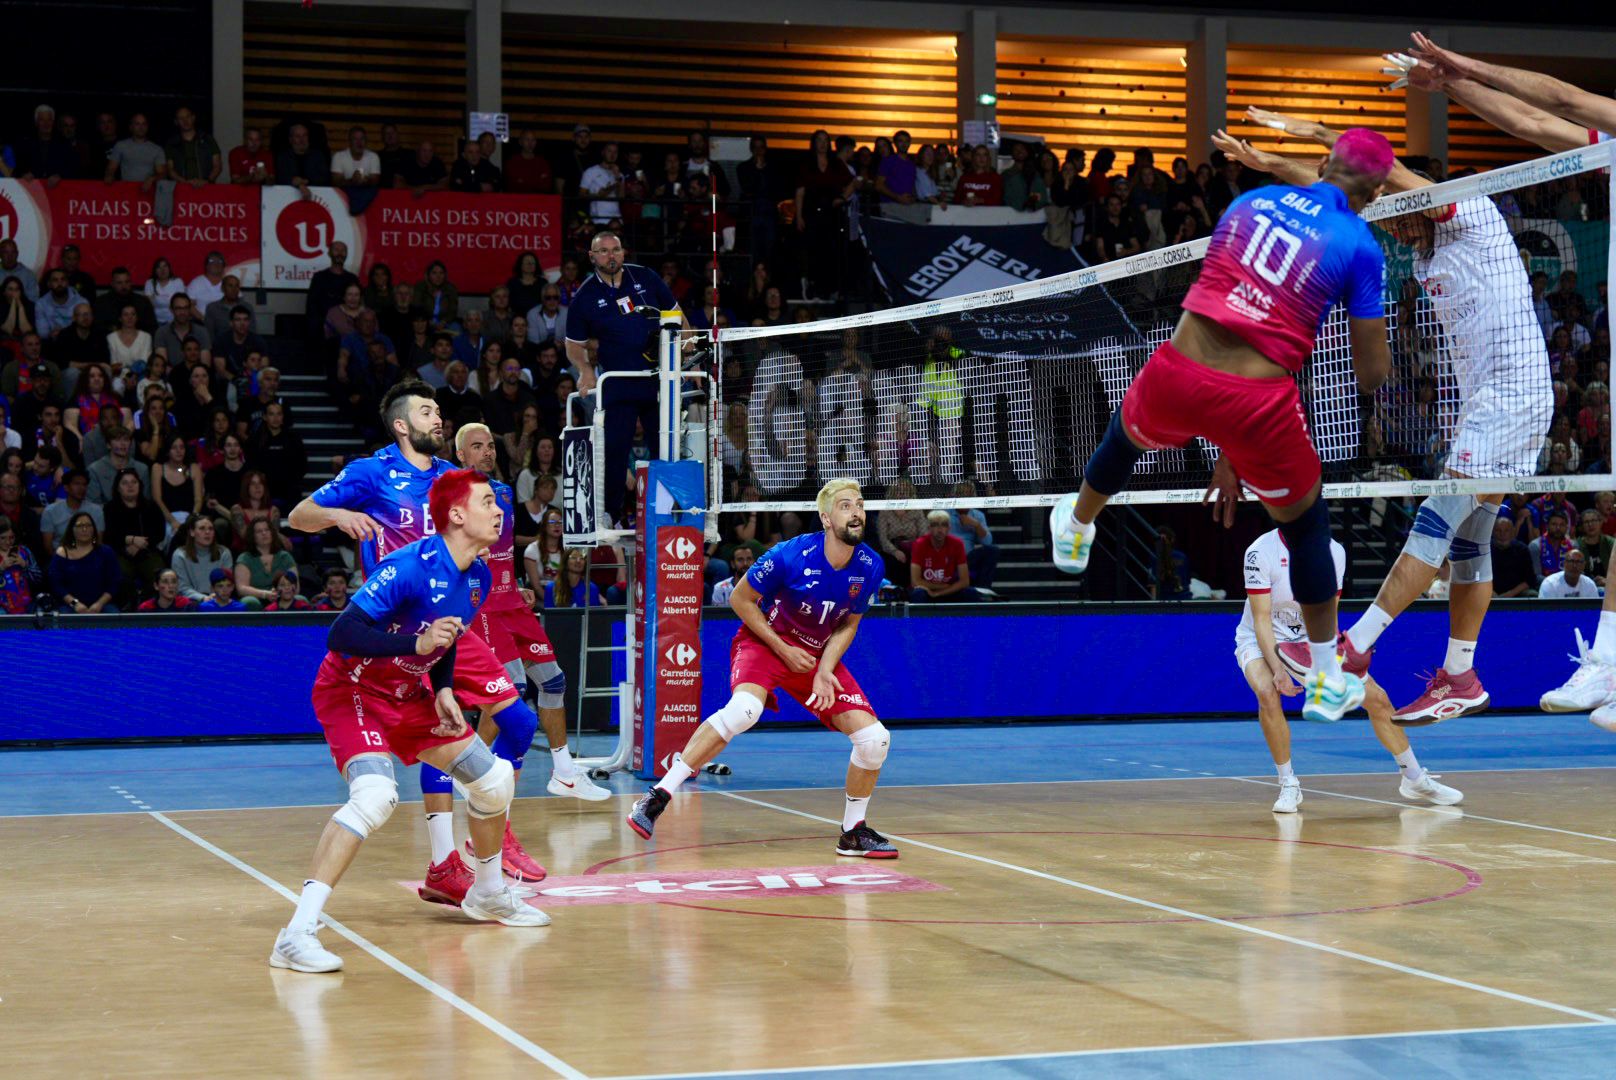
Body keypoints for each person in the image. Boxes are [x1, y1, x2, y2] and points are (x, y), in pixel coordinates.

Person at [1049, 128, 1395, 724]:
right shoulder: (1360, 245)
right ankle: (1324, 678)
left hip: (1182, 368)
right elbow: (1368, 375)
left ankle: (1078, 524)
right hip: (1258, 400)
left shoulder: (1247, 203)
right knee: (1309, 530)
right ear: (1379, 189)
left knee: (1124, 437)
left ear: (1323, 162)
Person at [1225, 107, 1552, 725]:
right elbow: (1355, 194)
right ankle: (1461, 673)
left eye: (1398, 217)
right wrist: (1269, 164)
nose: (1395, 235)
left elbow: (1386, 175)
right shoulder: (1426, 254)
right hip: (1495, 401)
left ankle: (1353, 648)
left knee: (1436, 518)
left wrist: (1325, 138)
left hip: (1511, 394)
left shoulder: (1470, 212)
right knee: (1470, 539)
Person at [271, 468, 549, 973]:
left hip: (408, 694)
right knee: (375, 796)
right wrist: (413, 646)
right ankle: (296, 934)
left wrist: (442, 686)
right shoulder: (410, 566)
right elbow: (342, 632)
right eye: (487, 502)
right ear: (457, 515)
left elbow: (445, 637)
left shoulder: (477, 576)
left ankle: (487, 894)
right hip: (352, 689)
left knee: (492, 781)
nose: (499, 511)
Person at [288, 381, 548, 894]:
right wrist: (339, 515)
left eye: (439, 412)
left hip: (449, 620)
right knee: (439, 735)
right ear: (402, 425)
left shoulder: (454, 480)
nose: (438, 419)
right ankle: (443, 859)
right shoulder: (372, 471)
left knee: (518, 722)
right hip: (399, 624)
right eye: (428, 412)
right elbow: (299, 516)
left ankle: (492, 829)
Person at [628, 479, 896, 857]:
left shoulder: (870, 564)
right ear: (825, 517)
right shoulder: (789, 555)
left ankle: (853, 831)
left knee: (875, 740)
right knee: (744, 711)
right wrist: (783, 649)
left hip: (814, 657)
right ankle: (656, 798)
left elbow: (849, 623)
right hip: (766, 644)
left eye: (860, 505)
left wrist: (825, 669)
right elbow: (741, 600)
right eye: (846, 506)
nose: (856, 512)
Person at [1235, 527, 1462, 812]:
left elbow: (1327, 613)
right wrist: (1279, 669)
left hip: (1311, 640)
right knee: (1267, 692)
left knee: (1378, 700)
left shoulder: (1334, 552)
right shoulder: (1260, 551)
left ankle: (1414, 778)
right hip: (1261, 638)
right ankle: (1288, 782)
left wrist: (1336, 655)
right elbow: (1261, 618)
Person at [457, 423, 608, 801]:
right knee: (507, 692)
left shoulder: (505, 494)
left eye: (490, 445)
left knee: (553, 682)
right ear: (460, 455)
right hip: (484, 606)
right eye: (477, 447)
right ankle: (469, 769)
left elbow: (502, 555)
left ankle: (564, 774)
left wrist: (517, 583)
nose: (487, 452)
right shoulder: (453, 498)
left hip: (512, 601)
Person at [564, 231, 688, 523]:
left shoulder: (645, 277)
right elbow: (573, 345)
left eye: (615, 250)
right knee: (615, 450)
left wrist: (688, 355)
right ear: (592, 257)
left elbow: (677, 316)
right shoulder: (585, 296)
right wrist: (584, 371)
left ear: (623, 252)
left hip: (657, 379)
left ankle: (668, 510)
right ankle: (611, 511)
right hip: (617, 382)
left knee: (666, 446)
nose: (610, 255)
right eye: (603, 251)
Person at [48, 511, 120, 613]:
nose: (84, 529)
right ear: (72, 530)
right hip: (70, 605)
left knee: (113, 615)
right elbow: (57, 586)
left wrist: (99, 604)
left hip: (102, 604)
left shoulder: (105, 552)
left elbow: (114, 583)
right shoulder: (61, 553)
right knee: (63, 617)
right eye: (80, 526)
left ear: (93, 529)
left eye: (88, 525)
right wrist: (75, 604)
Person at [909, 510, 979, 603]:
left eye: (944, 525)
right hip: (928, 590)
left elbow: (965, 581)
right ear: (929, 528)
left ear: (949, 528)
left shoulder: (957, 543)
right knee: (918, 594)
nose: (940, 529)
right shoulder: (919, 544)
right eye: (935, 525)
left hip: (949, 590)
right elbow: (915, 582)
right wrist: (941, 587)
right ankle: (922, 618)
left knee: (971, 593)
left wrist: (939, 593)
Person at [171, 515, 232, 602]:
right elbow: (182, 587)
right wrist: (203, 598)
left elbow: (227, 584)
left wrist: (214, 598)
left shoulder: (224, 553)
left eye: (211, 529)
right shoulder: (179, 555)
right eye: (202, 528)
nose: (207, 532)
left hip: (218, 600)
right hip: (191, 601)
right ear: (192, 532)